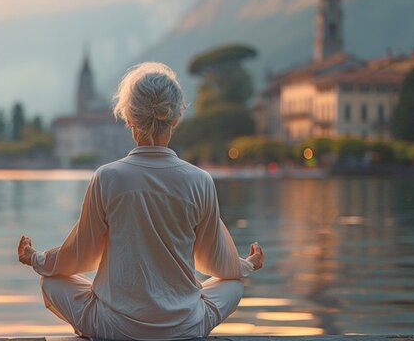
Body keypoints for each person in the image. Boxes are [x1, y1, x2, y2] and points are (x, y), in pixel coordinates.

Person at [17, 62, 264, 340]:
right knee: (234, 285)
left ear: (130, 119)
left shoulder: (107, 177)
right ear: (175, 118)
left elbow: (78, 255)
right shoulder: (200, 180)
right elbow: (217, 262)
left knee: (50, 281)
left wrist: (37, 259)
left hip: (113, 328)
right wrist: (247, 264)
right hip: (185, 327)